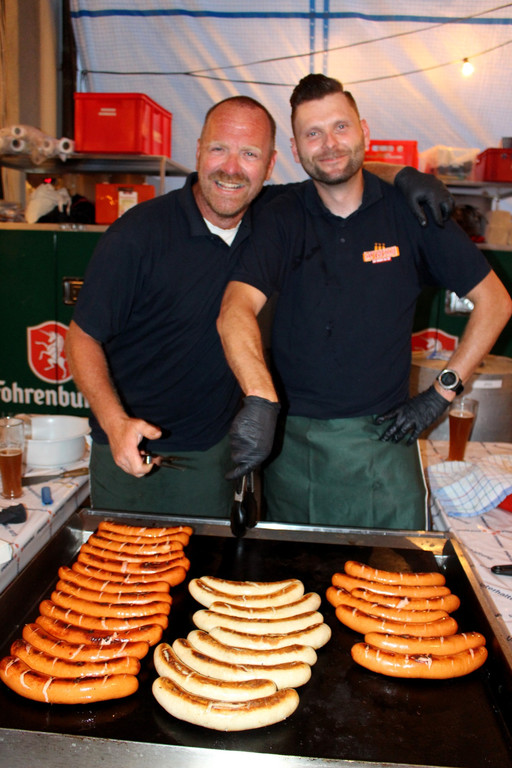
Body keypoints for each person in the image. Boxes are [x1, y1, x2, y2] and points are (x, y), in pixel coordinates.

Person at [66, 94, 455, 518]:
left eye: (249, 154)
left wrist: (402, 176)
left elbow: (339, 172)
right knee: (119, 579)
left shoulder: (275, 217)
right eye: (219, 149)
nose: (231, 168)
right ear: (198, 150)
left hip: (218, 454)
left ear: (270, 165)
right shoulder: (138, 235)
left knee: (207, 578)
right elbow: (81, 338)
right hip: (132, 450)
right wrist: (114, 422)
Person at [217, 75, 512, 530]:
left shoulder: (410, 212)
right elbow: (236, 307)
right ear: (295, 151)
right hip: (294, 446)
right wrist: (258, 398)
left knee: (399, 590)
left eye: (340, 127)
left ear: (364, 132)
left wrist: (441, 393)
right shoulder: (281, 214)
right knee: (296, 585)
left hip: (385, 438)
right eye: (312, 133)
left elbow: (495, 301)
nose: (329, 144)